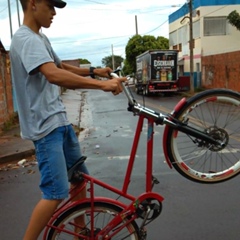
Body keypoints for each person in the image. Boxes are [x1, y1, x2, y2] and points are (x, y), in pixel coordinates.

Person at [10, 0, 126, 239]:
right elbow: (53, 75)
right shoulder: (26, 39)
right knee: (54, 192)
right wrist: (102, 86)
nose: (54, 13)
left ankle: (80, 233)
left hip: (60, 123)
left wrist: (95, 71)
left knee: (79, 181)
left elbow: (62, 66)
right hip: (45, 129)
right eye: (50, 6)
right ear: (33, 3)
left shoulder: (40, 38)